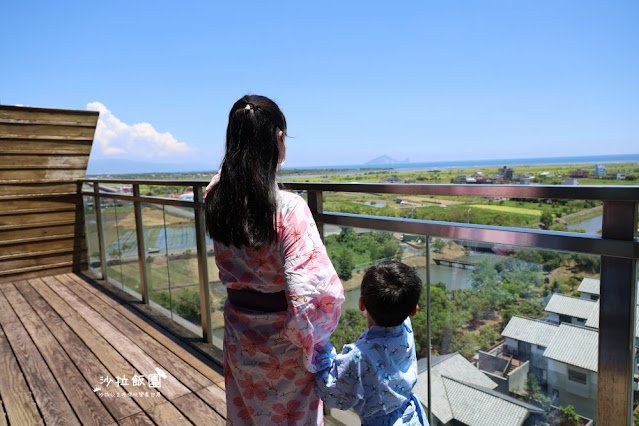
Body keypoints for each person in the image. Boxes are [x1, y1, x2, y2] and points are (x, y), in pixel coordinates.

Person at [204, 95, 344, 424]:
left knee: (246, 414)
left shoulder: (215, 198)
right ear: (278, 138)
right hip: (285, 346)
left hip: (239, 333)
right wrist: (315, 341)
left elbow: (225, 176)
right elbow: (311, 293)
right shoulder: (288, 208)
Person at [315, 261, 427, 425]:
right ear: (414, 311)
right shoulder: (405, 328)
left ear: (361, 304)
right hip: (412, 417)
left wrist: (323, 347)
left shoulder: (359, 356)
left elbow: (331, 393)